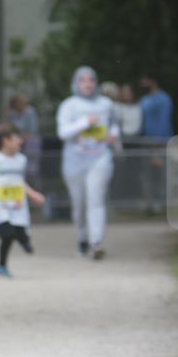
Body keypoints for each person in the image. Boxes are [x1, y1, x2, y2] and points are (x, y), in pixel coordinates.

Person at [57, 66, 119, 260]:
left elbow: (114, 126)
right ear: (76, 83)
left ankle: (96, 242)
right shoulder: (69, 105)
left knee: (96, 199)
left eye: (91, 80)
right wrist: (84, 123)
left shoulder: (106, 104)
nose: (88, 84)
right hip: (74, 161)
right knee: (79, 204)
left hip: (99, 158)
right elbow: (63, 133)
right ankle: (82, 237)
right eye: (83, 80)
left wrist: (112, 136)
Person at [0, 124, 46, 278]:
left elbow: (20, 182)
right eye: (16, 138)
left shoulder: (21, 160)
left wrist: (33, 194)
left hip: (18, 205)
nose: (20, 141)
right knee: (7, 234)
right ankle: (1, 266)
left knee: (21, 234)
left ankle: (24, 240)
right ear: (5, 141)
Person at [5, 94, 40, 186]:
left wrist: (21, 136)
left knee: (31, 168)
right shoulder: (12, 113)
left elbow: (32, 130)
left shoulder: (30, 112)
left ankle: (33, 185)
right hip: (18, 141)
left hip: (30, 142)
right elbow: (10, 128)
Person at [138, 73, 174, 140]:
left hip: (161, 139)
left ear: (152, 81)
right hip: (146, 138)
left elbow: (164, 121)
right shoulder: (144, 99)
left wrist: (161, 140)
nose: (142, 81)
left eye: (145, 79)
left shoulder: (164, 98)